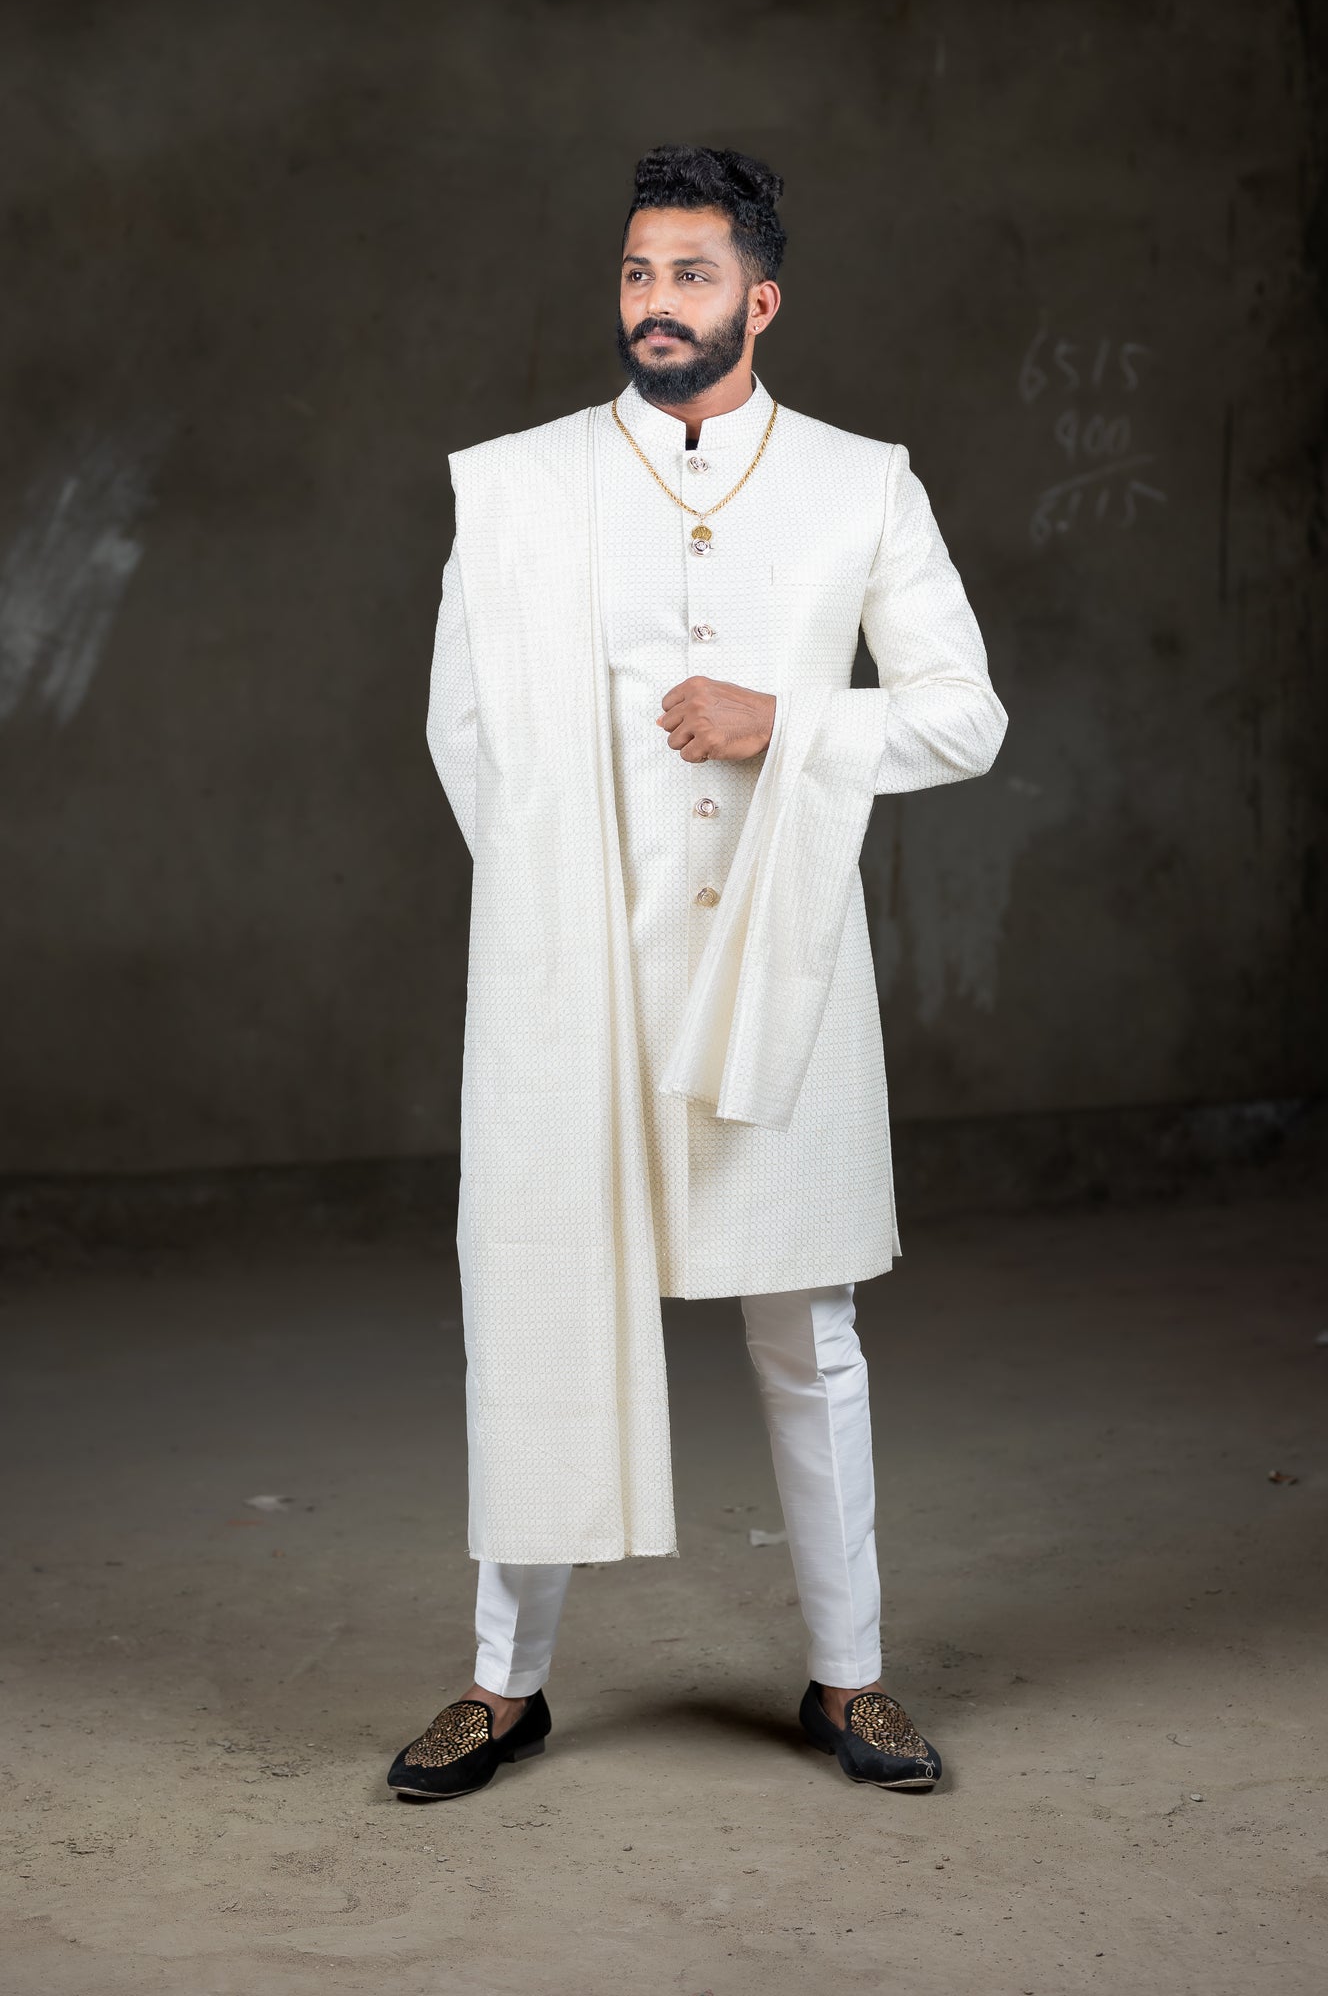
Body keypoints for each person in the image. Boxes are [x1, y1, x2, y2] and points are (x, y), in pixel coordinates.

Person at [388, 145, 1007, 1802]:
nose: (655, 303)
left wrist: (785, 720)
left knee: (806, 1328)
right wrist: (552, 906)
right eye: (636, 274)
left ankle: (850, 1677)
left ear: (761, 298)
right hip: (573, 975)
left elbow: (964, 714)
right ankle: (498, 1688)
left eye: (688, 275)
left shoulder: (860, 483)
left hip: (775, 968)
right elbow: (462, 729)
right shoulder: (521, 485)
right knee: (541, 1306)